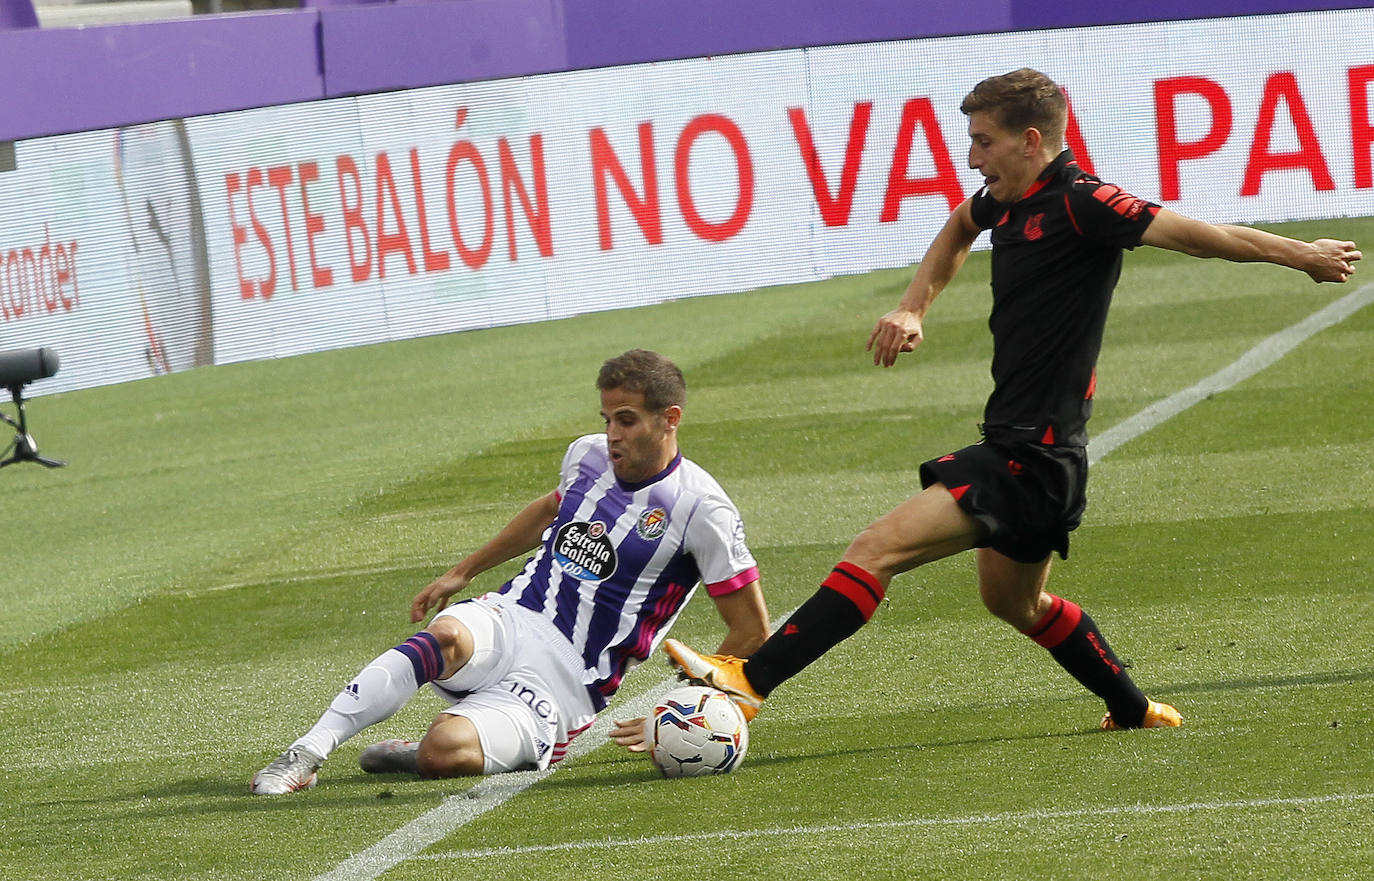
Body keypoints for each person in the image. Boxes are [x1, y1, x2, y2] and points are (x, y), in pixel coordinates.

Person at [664, 68, 1361, 731]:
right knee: (1015, 602)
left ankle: (749, 680)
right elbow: (959, 227)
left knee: (875, 548)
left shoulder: (1088, 202)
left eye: (983, 141)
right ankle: (1133, 705)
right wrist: (914, 307)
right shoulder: (1005, 201)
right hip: (1036, 454)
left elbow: (1202, 235)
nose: (973, 159)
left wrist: (1302, 255)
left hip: (1034, 451)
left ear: (1032, 140)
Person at [251, 349, 770, 793]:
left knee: (441, 755)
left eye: (627, 419)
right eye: (608, 417)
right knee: (444, 635)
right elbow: (550, 508)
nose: (611, 433)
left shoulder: (703, 510)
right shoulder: (585, 457)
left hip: (569, 679)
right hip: (512, 616)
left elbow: (751, 630)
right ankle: (306, 754)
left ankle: (434, 748)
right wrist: (464, 571)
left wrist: (689, 706)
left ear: (669, 418)